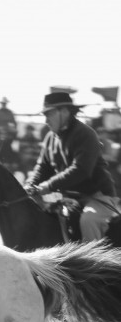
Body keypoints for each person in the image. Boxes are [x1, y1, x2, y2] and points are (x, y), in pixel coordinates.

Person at [25, 92, 119, 241]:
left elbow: (81, 170)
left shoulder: (85, 134)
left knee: (89, 221)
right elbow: (42, 167)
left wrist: (48, 185)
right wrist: (30, 185)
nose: (46, 120)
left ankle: (93, 264)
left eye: (49, 114)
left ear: (64, 112)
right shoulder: (50, 137)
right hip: (66, 197)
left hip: (97, 196)